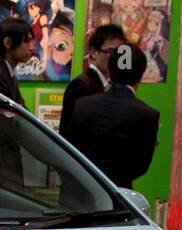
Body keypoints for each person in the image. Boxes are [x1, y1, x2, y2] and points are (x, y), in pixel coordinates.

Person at [67, 44, 159, 190]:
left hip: (82, 190)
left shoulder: (83, 105)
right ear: (141, 75)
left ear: (110, 69)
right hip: (120, 191)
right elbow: (140, 166)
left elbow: (71, 146)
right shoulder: (147, 114)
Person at [60, 23, 126, 139]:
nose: (116, 58)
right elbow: (74, 133)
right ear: (94, 52)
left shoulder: (108, 85)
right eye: (111, 52)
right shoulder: (82, 85)